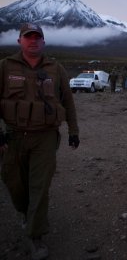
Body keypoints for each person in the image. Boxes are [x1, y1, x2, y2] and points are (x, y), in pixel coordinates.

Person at [0, 23, 80, 260]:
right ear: (19, 41)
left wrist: (73, 131)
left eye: (37, 37)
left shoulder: (56, 68)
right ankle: (26, 213)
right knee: (14, 184)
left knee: (40, 187)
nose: (33, 41)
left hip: (44, 138)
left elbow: (68, 102)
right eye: (28, 37)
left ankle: (36, 236)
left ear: (43, 42)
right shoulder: (5, 67)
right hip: (12, 137)